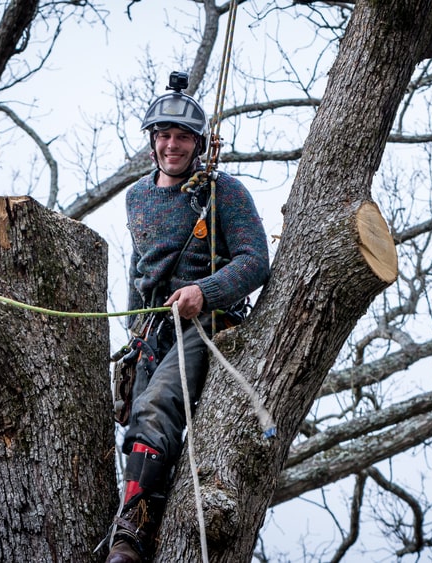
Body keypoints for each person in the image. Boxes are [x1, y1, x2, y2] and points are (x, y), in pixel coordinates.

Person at [105, 72, 270, 563]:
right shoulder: (137, 197)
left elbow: (255, 260)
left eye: (181, 137)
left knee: (157, 405)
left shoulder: (223, 191)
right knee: (137, 425)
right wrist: (134, 333)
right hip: (153, 330)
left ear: (197, 143)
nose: (171, 145)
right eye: (163, 136)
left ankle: (127, 533)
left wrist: (206, 291)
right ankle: (143, 522)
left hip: (207, 326)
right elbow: (140, 272)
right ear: (153, 141)